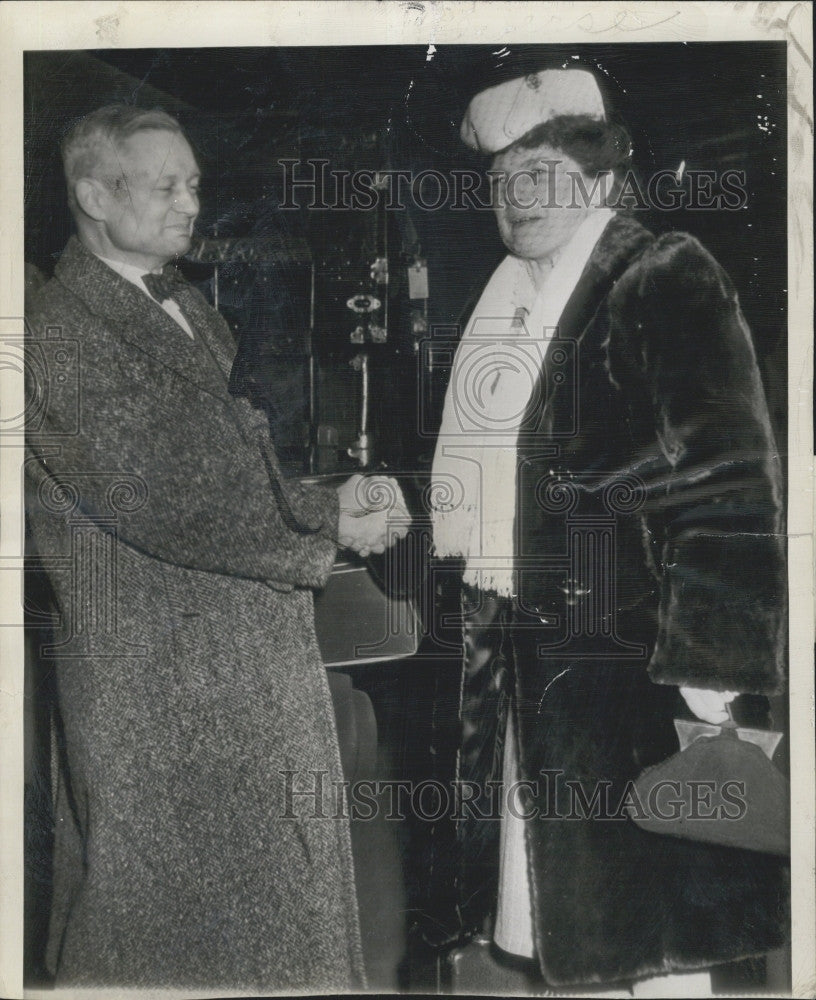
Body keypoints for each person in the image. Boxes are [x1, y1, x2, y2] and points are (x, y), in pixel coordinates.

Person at [24, 104, 406, 991]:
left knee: (247, 911)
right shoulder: (53, 335)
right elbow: (167, 498)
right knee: (164, 919)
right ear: (91, 192)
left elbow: (228, 474)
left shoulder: (189, 305)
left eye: (193, 183)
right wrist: (327, 533)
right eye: (164, 185)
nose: (189, 203)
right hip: (159, 686)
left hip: (227, 665)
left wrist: (321, 499)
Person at [430, 69, 788, 995]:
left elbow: (730, 486)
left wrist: (712, 678)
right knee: (572, 925)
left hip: (641, 661)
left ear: (595, 175)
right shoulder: (509, 294)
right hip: (535, 667)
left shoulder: (659, 271)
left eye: (541, 171)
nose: (519, 198)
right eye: (503, 179)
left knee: (658, 937)